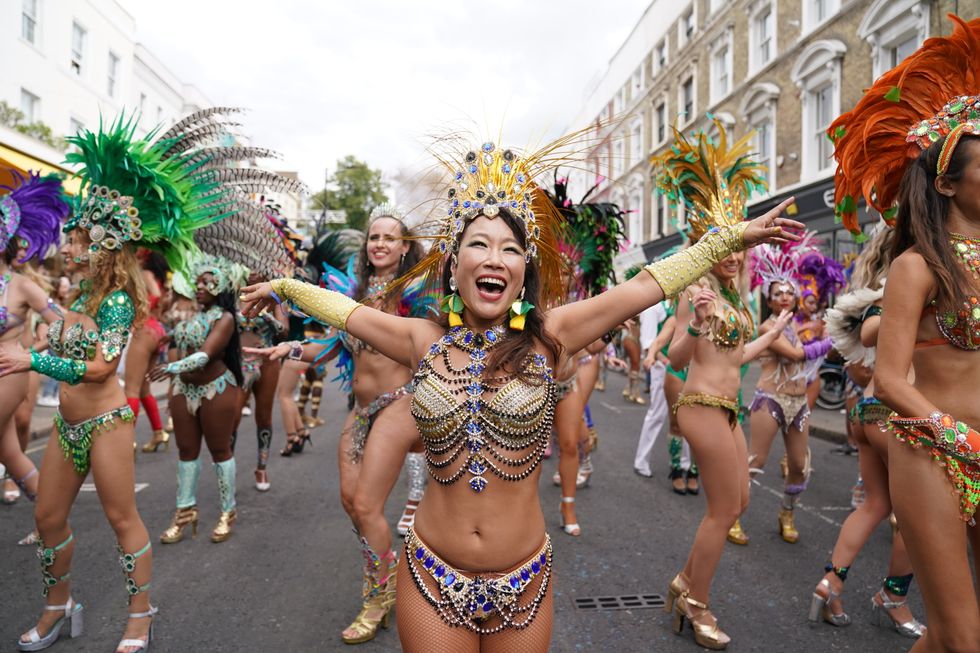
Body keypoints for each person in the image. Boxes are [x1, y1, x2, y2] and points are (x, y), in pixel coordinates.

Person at [241, 134, 800, 651]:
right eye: (477, 245)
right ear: (454, 266)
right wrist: (285, 287)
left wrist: (726, 239)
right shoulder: (421, 338)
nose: (493, 258)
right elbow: (348, 311)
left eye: (509, 249)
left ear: (524, 269)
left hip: (523, 579)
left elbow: (642, 288)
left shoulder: (550, 337)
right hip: (432, 573)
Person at [828, 16, 980, 652]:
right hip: (933, 454)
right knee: (961, 636)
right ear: (946, 184)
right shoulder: (919, 266)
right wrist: (965, 440)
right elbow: (889, 378)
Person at [247, 204, 433, 644]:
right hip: (362, 409)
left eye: (390, 237)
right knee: (352, 502)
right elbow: (332, 347)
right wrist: (287, 350)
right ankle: (386, 574)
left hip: (401, 404)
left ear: (405, 246)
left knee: (367, 504)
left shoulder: (419, 294)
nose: (381, 243)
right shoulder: (354, 297)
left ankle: (379, 596)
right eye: (374, 237)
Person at [654, 120, 795, 649]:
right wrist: (693, 321)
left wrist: (775, 332)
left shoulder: (737, 299)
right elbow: (679, 354)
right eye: (723, 246)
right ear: (707, 248)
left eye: (739, 246)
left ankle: (684, 581)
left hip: (727, 406)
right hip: (699, 405)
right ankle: (696, 602)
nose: (733, 255)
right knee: (721, 509)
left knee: (737, 503)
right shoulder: (697, 289)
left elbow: (739, 356)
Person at [812, 226, 925, 637]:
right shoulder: (905, 285)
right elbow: (869, 331)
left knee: (875, 505)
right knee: (919, 517)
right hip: (895, 414)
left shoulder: (884, 284)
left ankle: (830, 584)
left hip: (867, 411)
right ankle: (893, 598)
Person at [742, 236, 834, 544]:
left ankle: (787, 512)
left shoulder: (797, 327)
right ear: (769, 301)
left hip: (798, 403)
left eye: (788, 293)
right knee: (756, 461)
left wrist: (830, 333)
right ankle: (732, 516)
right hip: (770, 399)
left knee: (798, 466)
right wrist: (831, 341)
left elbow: (811, 353)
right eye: (777, 294)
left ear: (795, 298)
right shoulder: (769, 328)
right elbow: (794, 356)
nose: (783, 297)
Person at [150, 255, 245, 544]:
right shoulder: (194, 316)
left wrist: (171, 367)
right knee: (186, 454)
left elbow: (205, 354)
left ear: (222, 285)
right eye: (198, 281)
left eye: (208, 281)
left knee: (220, 451)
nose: (200, 285)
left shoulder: (226, 318)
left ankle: (227, 512)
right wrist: (168, 340)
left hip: (216, 389)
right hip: (183, 391)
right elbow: (180, 337)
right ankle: (184, 513)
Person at [0, 171, 67, 518]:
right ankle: (51, 523)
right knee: (11, 454)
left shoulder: (21, 285)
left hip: (7, 374)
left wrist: (34, 351)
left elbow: (63, 324)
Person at [124, 250, 170, 453]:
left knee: (130, 389)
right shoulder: (155, 275)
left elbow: (157, 296)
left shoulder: (144, 274)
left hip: (145, 330)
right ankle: (159, 433)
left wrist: (139, 313)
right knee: (143, 390)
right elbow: (162, 297)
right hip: (156, 330)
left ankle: (126, 442)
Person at [634, 301, 669, 477]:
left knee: (687, 416)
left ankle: (685, 465)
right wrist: (666, 362)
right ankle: (641, 461)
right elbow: (648, 343)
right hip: (662, 368)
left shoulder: (685, 301)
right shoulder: (654, 307)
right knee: (657, 414)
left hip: (685, 369)